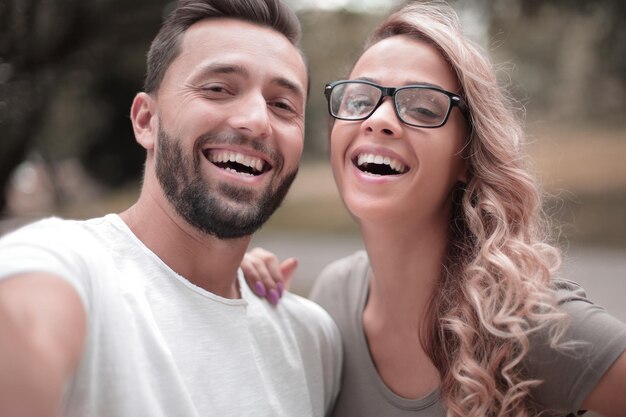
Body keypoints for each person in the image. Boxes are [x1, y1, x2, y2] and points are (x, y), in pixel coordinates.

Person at [241, 1, 626, 416]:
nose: (379, 118)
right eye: (358, 100)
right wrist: (241, 290)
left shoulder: (525, 323)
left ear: (467, 158)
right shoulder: (333, 297)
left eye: (423, 108)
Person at [0, 1, 342, 416]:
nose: (257, 120)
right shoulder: (70, 266)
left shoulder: (311, 339)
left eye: (283, 105)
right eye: (218, 88)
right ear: (146, 120)